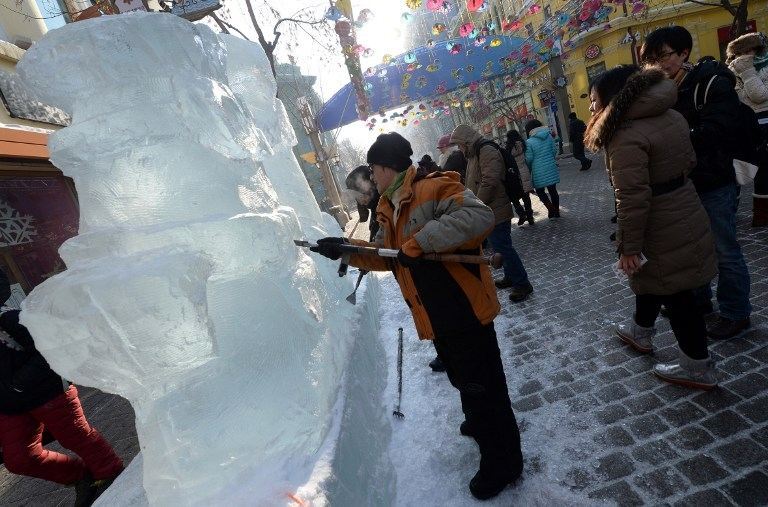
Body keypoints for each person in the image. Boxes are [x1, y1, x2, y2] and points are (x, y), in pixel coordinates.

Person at [309, 132, 523, 499]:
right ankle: (478, 418)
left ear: (387, 167)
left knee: (484, 385)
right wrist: (344, 250)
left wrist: (421, 242)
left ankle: (504, 462)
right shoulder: (389, 206)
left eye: (374, 170)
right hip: (435, 311)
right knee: (462, 376)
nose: (371, 178)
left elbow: (479, 215)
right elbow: (386, 255)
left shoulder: (433, 187)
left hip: (463, 306)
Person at [584, 66, 719, 389]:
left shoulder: (625, 133)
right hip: (683, 205)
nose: (591, 107)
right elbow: (689, 162)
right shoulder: (670, 115)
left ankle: (697, 367)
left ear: (613, 96)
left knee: (676, 295)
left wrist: (628, 246)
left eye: (594, 99)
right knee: (660, 280)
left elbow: (631, 197)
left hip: (659, 222)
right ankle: (640, 330)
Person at [641, 26, 752, 339]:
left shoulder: (710, 83)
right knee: (693, 247)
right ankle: (700, 301)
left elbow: (719, 129)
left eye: (663, 56)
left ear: (683, 53)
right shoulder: (662, 91)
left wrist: (678, 140)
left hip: (716, 180)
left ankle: (735, 312)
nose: (658, 64)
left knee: (724, 248)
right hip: (685, 183)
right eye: (651, 59)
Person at [0, 270, 124, 506]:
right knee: (18, 459)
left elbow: (49, 350)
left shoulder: (10, 318)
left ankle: (112, 476)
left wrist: (20, 382)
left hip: (47, 391)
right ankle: (80, 476)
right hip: (10, 405)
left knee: (77, 436)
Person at [450, 124, 534, 302]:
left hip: (495, 209)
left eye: (459, 145)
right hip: (489, 210)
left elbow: (490, 181)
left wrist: (476, 204)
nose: (459, 149)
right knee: (499, 247)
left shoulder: (486, 150)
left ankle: (522, 283)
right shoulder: (474, 153)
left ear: (466, 141)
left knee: (504, 248)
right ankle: (511, 277)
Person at [727, 32, 768, 227]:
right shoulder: (734, 71)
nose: (749, 55)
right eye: (746, 52)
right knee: (758, 168)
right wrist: (746, 71)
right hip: (752, 124)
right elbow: (759, 95)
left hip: (762, 120)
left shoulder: (765, 66)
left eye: (753, 50)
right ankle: (760, 215)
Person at [524, 120, 562, 218]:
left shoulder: (529, 142)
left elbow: (529, 158)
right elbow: (554, 150)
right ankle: (556, 211)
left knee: (540, 192)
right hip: (551, 166)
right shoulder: (549, 137)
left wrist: (528, 167)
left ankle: (550, 209)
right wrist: (550, 158)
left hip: (537, 170)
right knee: (553, 190)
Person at [505, 130, 535, 225]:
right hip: (524, 171)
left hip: (514, 174)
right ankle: (530, 217)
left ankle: (521, 214)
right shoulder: (523, 144)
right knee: (526, 197)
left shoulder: (508, 147)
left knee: (514, 197)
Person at [345, 165, 380, 241]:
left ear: (370, 190)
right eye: (355, 196)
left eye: (359, 195)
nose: (359, 201)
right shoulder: (376, 211)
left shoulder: (384, 212)